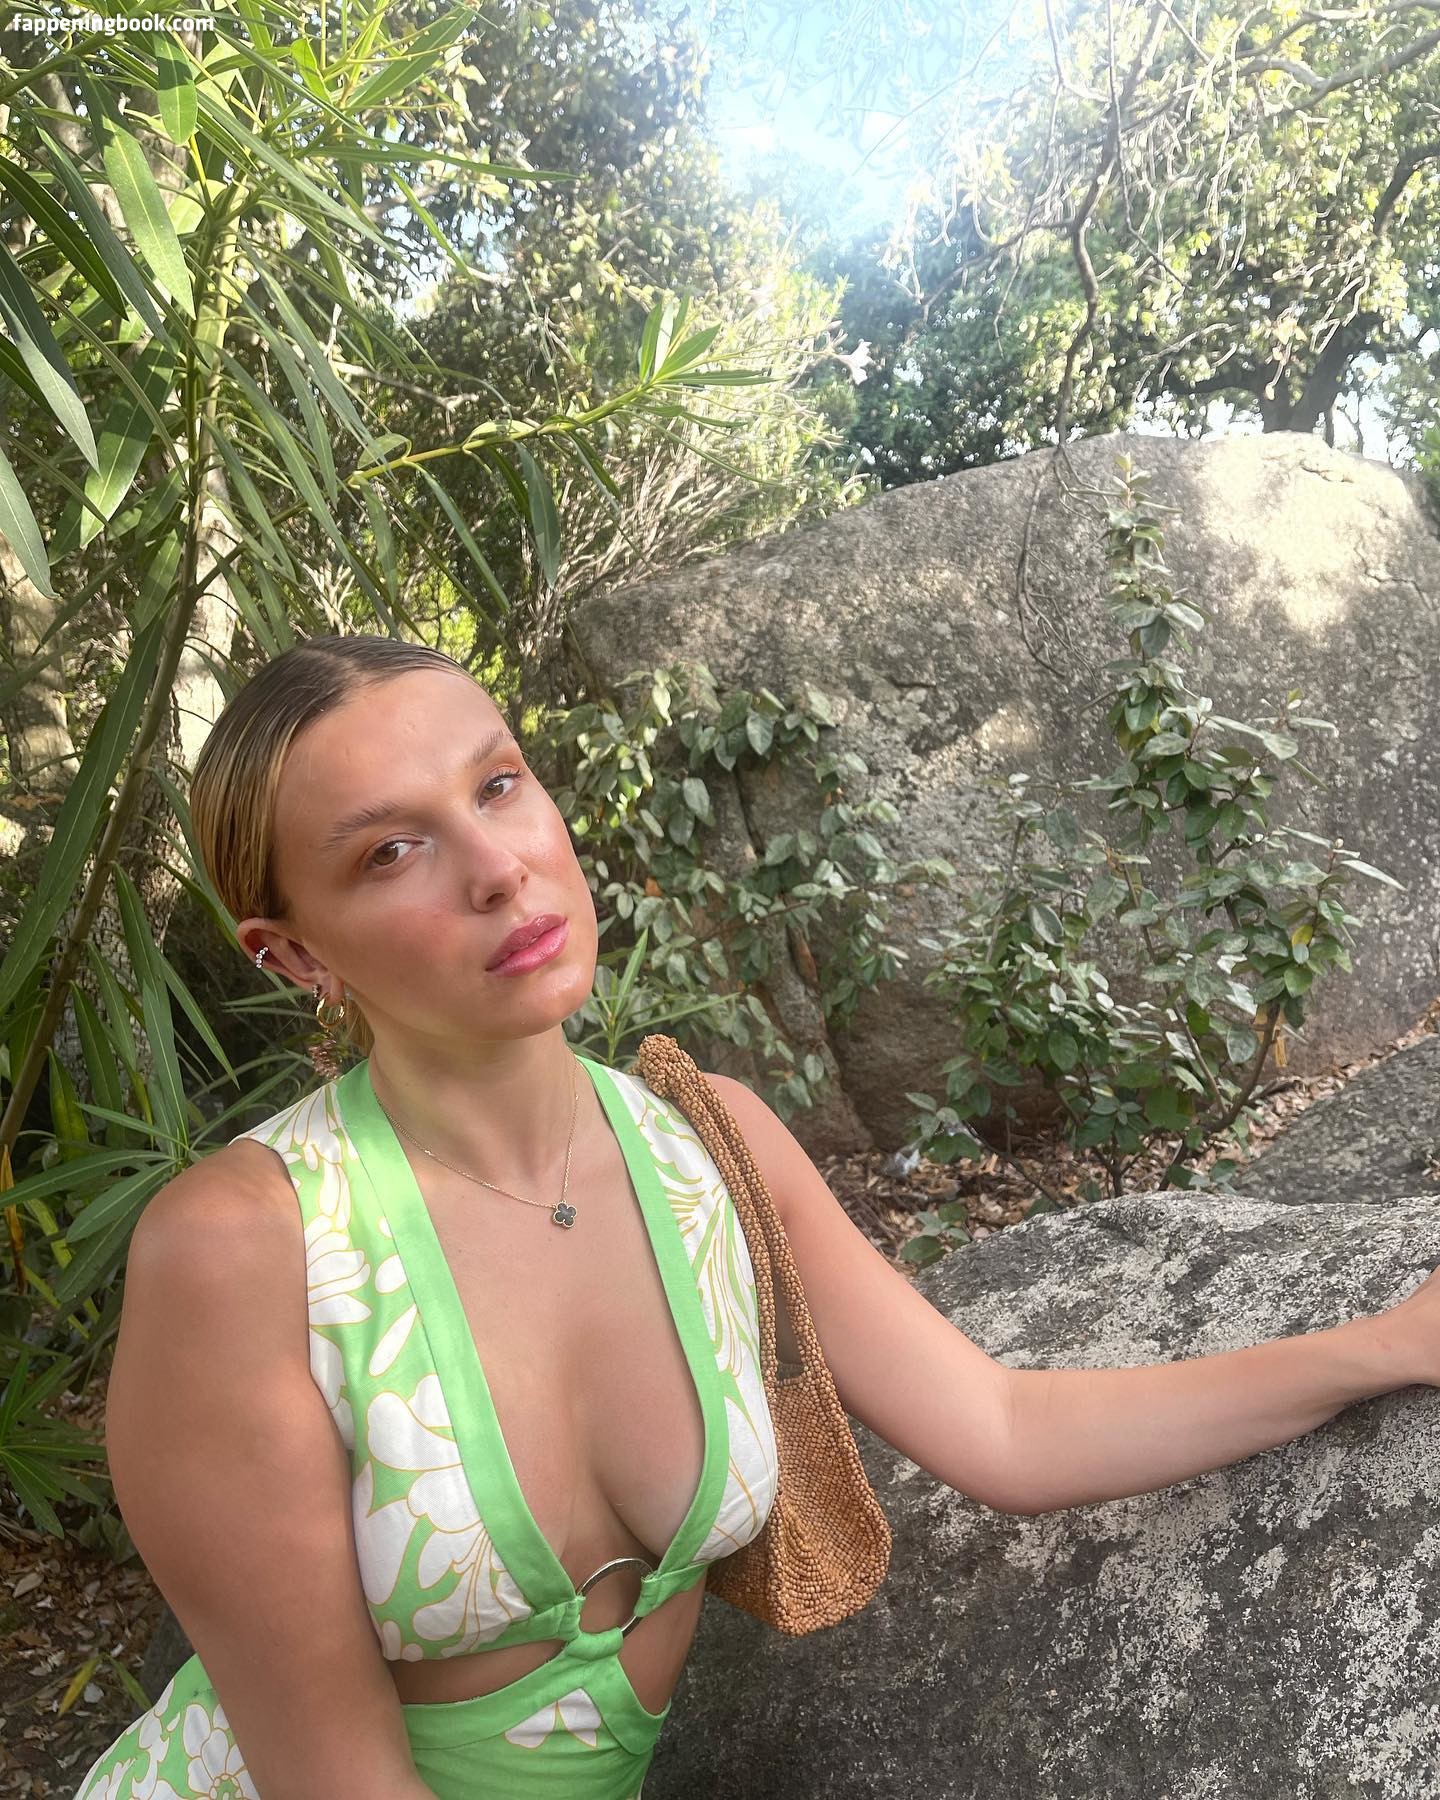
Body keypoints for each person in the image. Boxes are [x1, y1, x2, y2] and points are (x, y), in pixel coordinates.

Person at [74, 633, 1439, 1799]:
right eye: (391, 851)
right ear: (296, 954)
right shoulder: (247, 1247)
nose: (498, 867)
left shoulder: (706, 1146)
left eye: (499, 785)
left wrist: (1379, 1348)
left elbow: (1006, 1427)